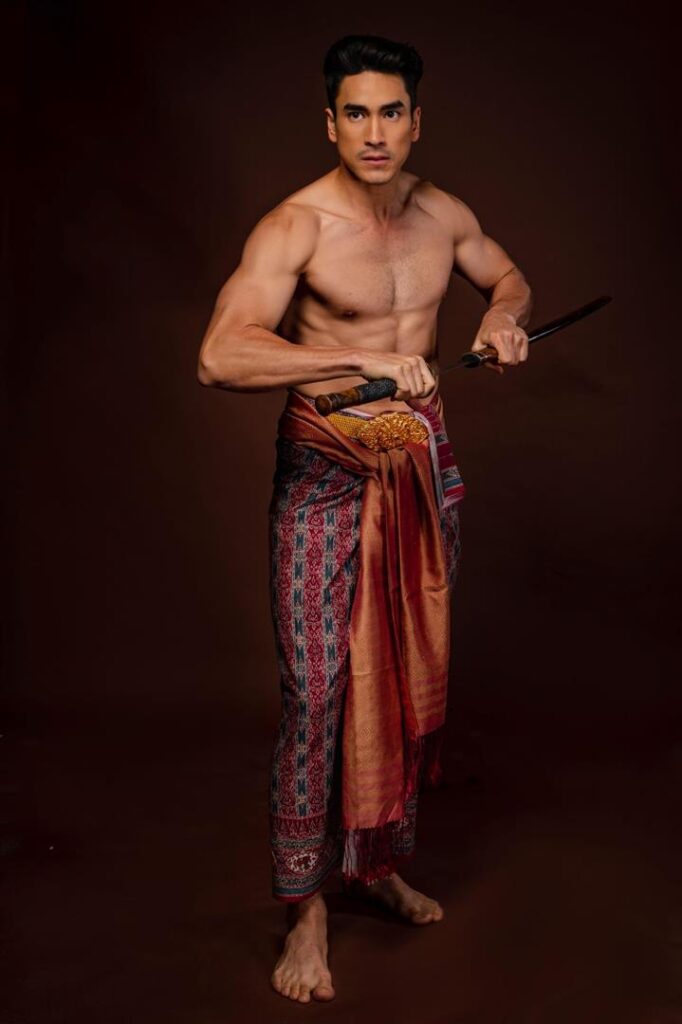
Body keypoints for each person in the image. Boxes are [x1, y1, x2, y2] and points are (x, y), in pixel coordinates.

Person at [197, 33, 532, 1005]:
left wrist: (501, 317)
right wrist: (354, 362)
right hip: (325, 471)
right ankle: (305, 908)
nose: (374, 131)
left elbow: (508, 277)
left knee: (403, 673)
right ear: (330, 122)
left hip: (421, 466)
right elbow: (220, 356)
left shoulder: (444, 214)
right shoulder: (296, 226)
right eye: (356, 113)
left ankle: (374, 864)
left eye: (391, 112)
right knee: (317, 691)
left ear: (415, 121)